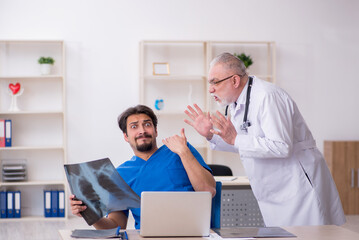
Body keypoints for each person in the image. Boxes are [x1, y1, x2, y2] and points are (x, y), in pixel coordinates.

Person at [184, 52, 345, 227]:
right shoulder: (237, 104)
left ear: (235, 81)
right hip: (274, 190)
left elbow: (281, 146)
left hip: (298, 188)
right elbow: (244, 144)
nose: (210, 89)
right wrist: (210, 135)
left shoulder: (267, 97)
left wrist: (236, 139)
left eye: (215, 82)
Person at [70, 104, 216, 230]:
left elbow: (208, 190)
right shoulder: (120, 175)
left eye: (147, 124)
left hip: (193, 233)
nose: (142, 130)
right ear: (126, 136)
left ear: (156, 130)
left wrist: (184, 153)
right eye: (134, 127)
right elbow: (117, 225)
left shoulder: (181, 149)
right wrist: (90, 215)